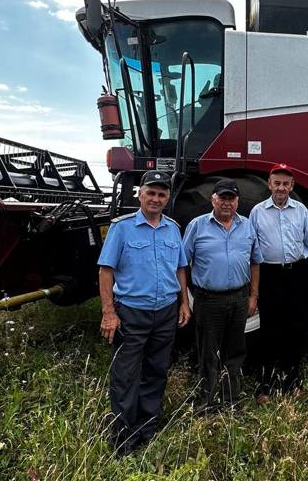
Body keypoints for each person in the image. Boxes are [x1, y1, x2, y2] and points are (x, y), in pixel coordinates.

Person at [97, 170, 191, 456]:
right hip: (131, 313)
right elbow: (106, 271)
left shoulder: (173, 228)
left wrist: (184, 302)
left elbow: (180, 268)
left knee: (157, 370)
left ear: (167, 198)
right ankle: (123, 436)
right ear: (140, 194)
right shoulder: (121, 228)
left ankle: (147, 429)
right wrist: (108, 312)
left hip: (164, 311)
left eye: (162, 194)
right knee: (126, 374)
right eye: (151, 192)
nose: (156, 198)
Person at [183, 178, 263, 410]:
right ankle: (206, 400)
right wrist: (186, 298)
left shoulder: (247, 226)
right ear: (213, 199)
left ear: (237, 201)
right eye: (223, 198)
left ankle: (231, 400)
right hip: (208, 299)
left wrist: (253, 296)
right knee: (208, 351)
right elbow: (182, 263)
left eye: (231, 198)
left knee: (235, 351)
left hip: (239, 298)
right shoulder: (197, 226)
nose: (227, 203)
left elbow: (255, 262)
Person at [249, 163, 308, 402]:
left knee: (296, 327)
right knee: (268, 328)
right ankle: (265, 385)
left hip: (297, 272)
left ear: (292, 186)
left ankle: (292, 381)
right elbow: (250, 249)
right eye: (277, 183)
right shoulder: (257, 212)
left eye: (286, 184)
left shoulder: (301, 210)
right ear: (269, 184)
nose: (281, 187)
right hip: (269, 275)